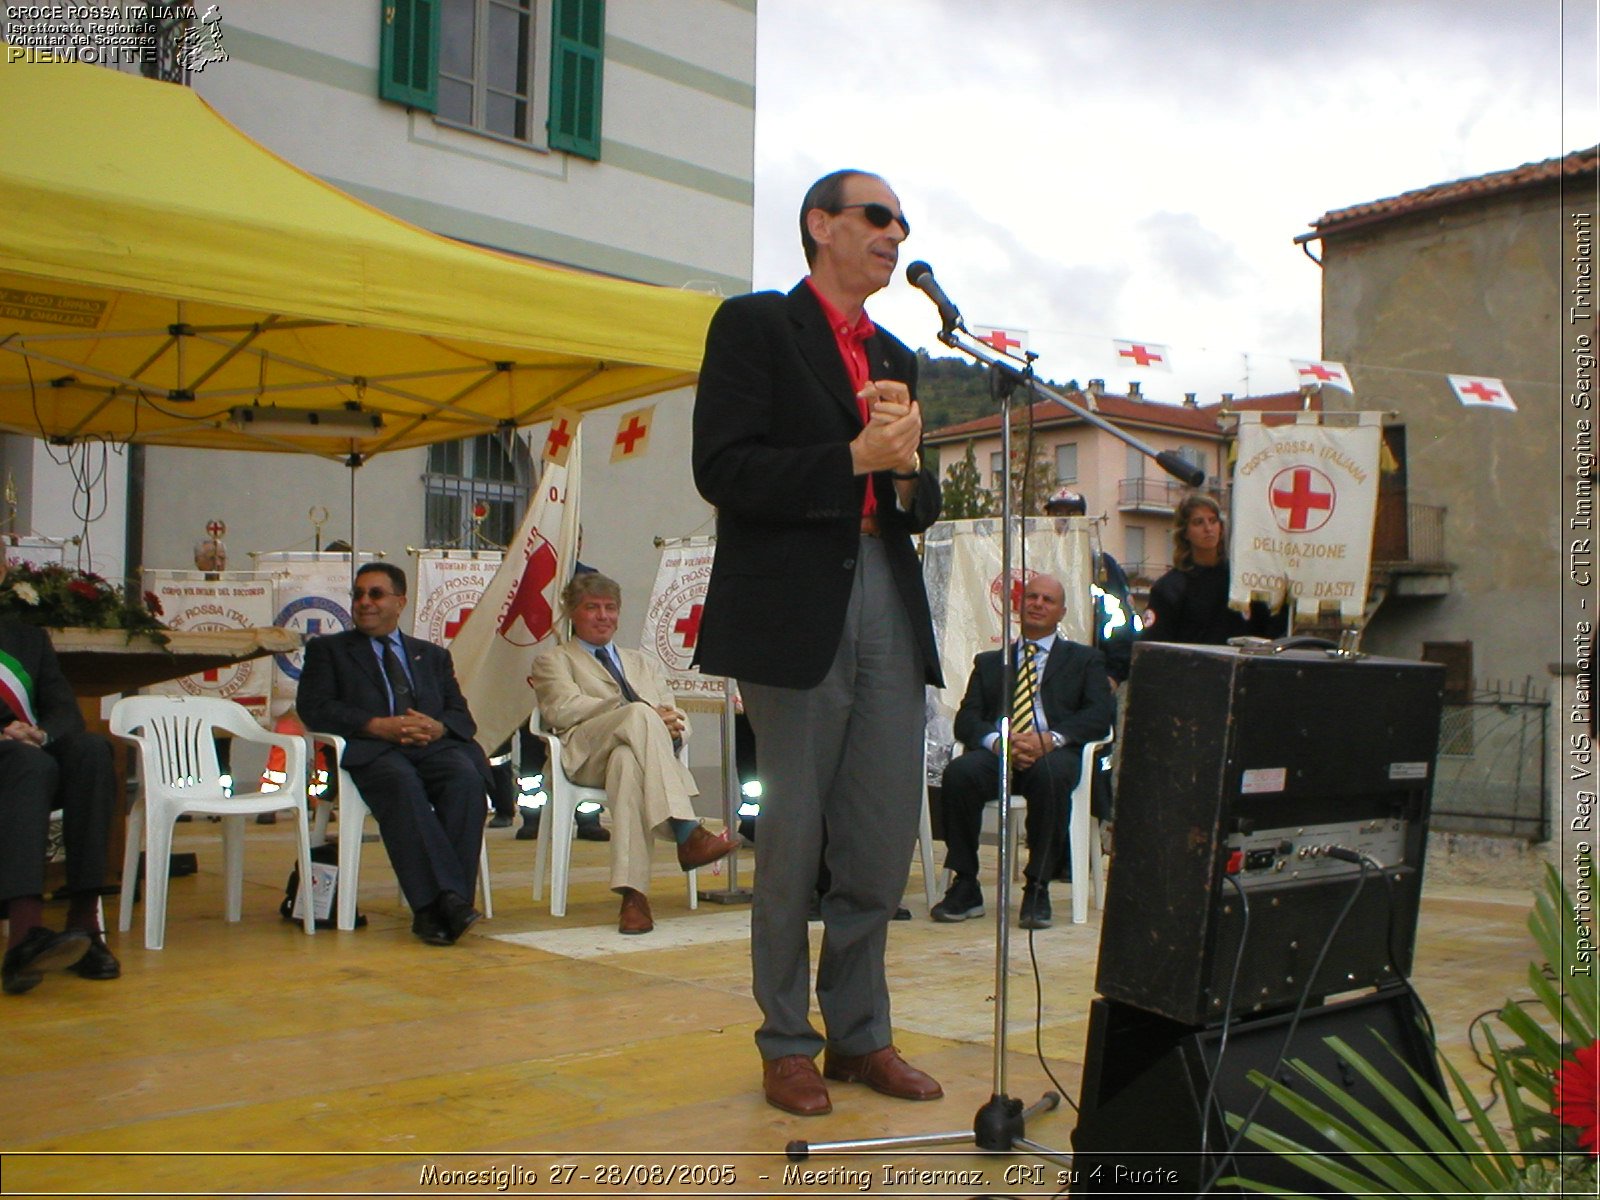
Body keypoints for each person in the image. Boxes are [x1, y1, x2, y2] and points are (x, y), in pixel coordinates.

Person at [693, 168, 945, 1117]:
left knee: (879, 838)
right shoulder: (756, 326)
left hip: (885, 586)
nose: (896, 231)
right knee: (793, 837)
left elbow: (904, 503)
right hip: (794, 606)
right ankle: (787, 1042)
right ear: (821, 225)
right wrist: (850, 460)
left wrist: (909, 472)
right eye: (877, 216)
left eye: (901, 221)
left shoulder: (895, 354)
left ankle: (861, 1035)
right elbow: (722, 468)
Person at [527, 574, 739, 934]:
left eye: (610, 608)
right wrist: (633, 709)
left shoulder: (643, 663)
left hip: (634, 754)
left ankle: (634, 897)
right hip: (584, 755)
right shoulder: (554, 660)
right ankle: (686, 830)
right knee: (640, 713)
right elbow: (561, 710)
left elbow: (675, 713)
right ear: (572, 613)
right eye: (592, 607)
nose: (603, 615)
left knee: (627, 764)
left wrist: (673, 726)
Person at [296, 562, 490, 946]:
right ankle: (446, 905)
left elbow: (460, 716)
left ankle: (441, 907)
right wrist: (375, 724)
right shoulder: (329, 651)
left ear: (400, 602)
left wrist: (438, 727)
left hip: (430, 747)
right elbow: (314, 707)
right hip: (371, 751)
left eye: (376, 594)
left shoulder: (431, 655)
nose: (364, 602)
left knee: (466, 778)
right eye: (358, 594)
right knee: (401, 784)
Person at [931, 575, 1114, 930]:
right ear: (1018, 605)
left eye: (1048, 600)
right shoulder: (990, 662)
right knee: (959, 774)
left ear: (1061, 612)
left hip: (1054, 751)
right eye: (1032, 597)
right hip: (1002, 750)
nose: (1038, 604)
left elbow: (1100, 715)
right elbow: (967, 720)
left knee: (1051, 776)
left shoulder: (1084, 660)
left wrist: (1051, 739)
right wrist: (1001, 743)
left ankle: (1037, 886)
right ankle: (966, 883)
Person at [0, 547, 120, 994]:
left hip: (29, 756)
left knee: (90, 750)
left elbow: (65, 712)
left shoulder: (27, 640)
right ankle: (24, 936)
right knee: (29, 764)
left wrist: (41, 734)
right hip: (11, 762)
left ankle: (85, 928)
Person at [1144, 493, 1286, 645]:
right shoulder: (1169, 588)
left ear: (1221, 528)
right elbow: (1154, 647)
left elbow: (1268, 632)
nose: (1208, 528)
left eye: (1213, 521)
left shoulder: (1243, 579)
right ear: (1185, 532)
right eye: (1198, 522)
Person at [1042, 488, 1139, 687]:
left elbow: (1119, 620)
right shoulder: (1033, 558)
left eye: (1072, 514)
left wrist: (1113, 675)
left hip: (1091, 673)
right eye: (1057, 513)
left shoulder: (1100, 564)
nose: (1064, 520)